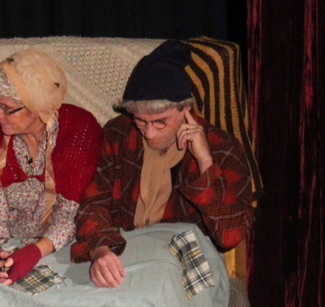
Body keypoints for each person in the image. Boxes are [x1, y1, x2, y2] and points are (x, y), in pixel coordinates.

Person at [70, 39, 254, 287]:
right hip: (124, 247)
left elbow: (230, 236)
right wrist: (99, 249)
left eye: (160, 122)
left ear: (185, 108)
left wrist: (205, 163)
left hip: (187, 256)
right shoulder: (119, 134)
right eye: (140, 120)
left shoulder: (222, 147)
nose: (149, 133)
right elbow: (94, 202)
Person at [0, 48, 103, 283]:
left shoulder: (80, 129)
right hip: (6, 240)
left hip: (62, 242)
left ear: (37, 106)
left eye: (7, 108)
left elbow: (72, 211)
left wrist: (34, 252)